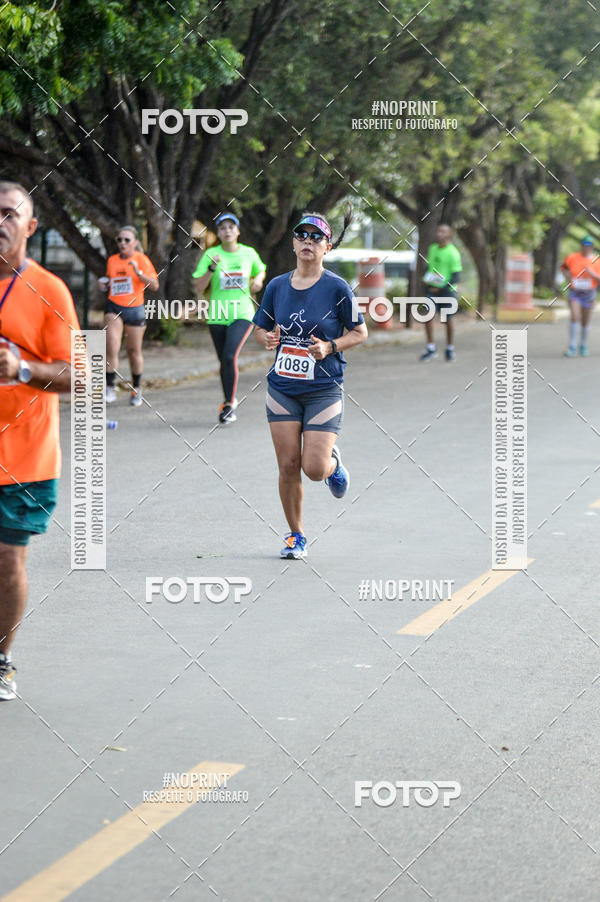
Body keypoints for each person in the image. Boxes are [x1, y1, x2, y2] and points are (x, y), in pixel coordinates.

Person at [0, 181, 80, 700]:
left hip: (24, 456)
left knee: (8, 562)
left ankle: (2, 658)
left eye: (9, 213)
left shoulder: (50, 289)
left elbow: (80, 375)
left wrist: (22, 367)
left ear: (30, 227)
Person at [253, 210, 368, 560]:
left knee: (313, 469)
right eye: (302, 236)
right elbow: (261, 327)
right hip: (283, 387)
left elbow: (360, 332)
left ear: (326, 246)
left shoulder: (337, 287)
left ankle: (333, 464)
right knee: (288, 465)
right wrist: (267, 338)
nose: (308, 242)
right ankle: (296, 536)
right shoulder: (276, 286)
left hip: (323, 387)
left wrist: (330, 347)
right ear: (293, 243)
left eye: (316, 237)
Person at [193, 213, 266, 424]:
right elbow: (199, 286)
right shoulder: (211, 254)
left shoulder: (248, 253)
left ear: (238, 231)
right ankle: (227, 400)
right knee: (223, 360)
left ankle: (229, 404)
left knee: (229, 356)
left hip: (242, 313)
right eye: (223, 227)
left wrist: (258, 282)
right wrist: (211, 269)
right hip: (217, 314)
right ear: (218, 232)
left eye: (231, 227)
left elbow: (260, 270)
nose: (227, 230)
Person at [100, 225, 159, 406]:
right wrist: (104, 285)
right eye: (119, 240)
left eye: (127, 240)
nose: (122, 243)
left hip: (135, 309)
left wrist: (138, 273)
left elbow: (155, 285)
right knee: (112, 346)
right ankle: (110, 387)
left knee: (134, 351)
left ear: (135, 243)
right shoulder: (112, 260)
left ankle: (136, 388)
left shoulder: (141, 259)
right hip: (114, 306)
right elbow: (112, 282)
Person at [420, 223, 462, 362]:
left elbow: (456, 276)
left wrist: (441, 288)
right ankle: (431, 348)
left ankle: (450, 348)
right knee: (427, 316)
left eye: (443, 232)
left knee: (447, 320)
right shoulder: (432, 249)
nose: (439, 234)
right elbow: (430, 268)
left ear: (449, 234)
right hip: (432, 290)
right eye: (438, 231)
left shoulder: (453, 252)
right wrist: (427, 281)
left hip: (447, 292)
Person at [561, 236, 600, 357]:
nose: (586, 248)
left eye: (588, 246)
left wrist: (591, 274)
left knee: (585, 321)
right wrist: (569, 277)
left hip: (589, 293)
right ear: (581, 246)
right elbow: (563, 268)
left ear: (592, 247)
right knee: (575, 316)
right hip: (575, 292)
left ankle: (583, 345)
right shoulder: (572, 257)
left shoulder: (596, 260)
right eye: (584, 246)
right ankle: (572, 345)